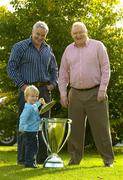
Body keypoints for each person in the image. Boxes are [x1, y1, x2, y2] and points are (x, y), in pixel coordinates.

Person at [58, 22, 114, 167]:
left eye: (80, 32)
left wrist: (102, 90)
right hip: (75, 93)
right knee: (75, 129)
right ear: (72, 35)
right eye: (75, 33)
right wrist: (63, 94)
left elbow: (106, 68)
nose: (78, 35)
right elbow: (63, 74)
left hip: (96, 92)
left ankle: (108, 160)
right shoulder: (68, 50)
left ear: (86, 32)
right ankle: (74, 159)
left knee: (101, 128)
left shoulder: (98, 46)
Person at [7, 21, 58, 165]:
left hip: (44, 91)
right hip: (27, 91)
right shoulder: (20, 46)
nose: (40, 37)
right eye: (38, 34)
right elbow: (11, 68)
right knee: (25, 124)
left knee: (43, 124)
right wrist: (23, 86)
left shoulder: (48, 49)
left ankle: (42, 158)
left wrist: (53, 84)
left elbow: (54, 69)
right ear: (32, 31)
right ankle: (23, 159)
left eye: (43, 35)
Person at [19, 85, 46, 168]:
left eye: (36, 96)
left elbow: (35, 106)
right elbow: (23, 118)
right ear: (26, 97)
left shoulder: (33, 105)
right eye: (32, 96)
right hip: (29, 131)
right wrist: (22, 128)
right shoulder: (28, 108)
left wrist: (39, 102)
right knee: (31, 147)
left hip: (34, 131)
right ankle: (29, 163)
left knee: (34, 147)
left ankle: (32, 162)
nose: (35, 98)